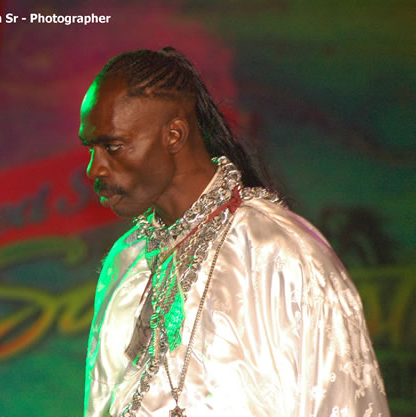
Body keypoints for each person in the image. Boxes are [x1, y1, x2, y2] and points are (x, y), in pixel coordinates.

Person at [80, 47, 389, 417]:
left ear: (174, 135)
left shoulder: (282, 256)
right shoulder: (126, 260)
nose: (94, 169)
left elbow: (341, 403)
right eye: (91, 148)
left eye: (113, 147)